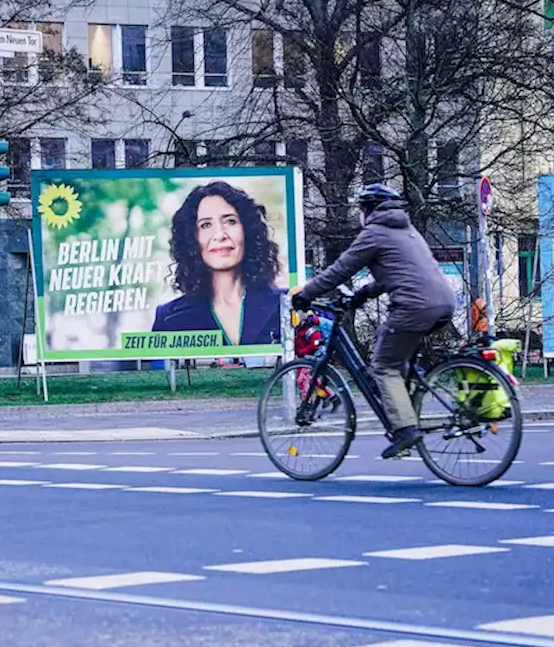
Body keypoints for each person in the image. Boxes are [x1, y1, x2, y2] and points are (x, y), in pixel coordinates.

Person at [292, 183, 457, 459]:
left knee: (383, 366)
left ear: (368, 209)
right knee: (394, 351)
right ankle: (405, 408)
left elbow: (341, 269)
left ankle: (405, 429)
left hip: (414, 307)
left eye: (360, 208)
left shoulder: (375, 232)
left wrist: (305, 295)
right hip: (444, 302)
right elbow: (398, 274)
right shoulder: (407, 230)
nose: (360, 213)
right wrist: (362, 294)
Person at [152, 181, 285, 346]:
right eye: (206, 225)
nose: (220, 235)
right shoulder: (167, 317)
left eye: (230, 221)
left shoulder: (284, 304)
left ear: (247, 230)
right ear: (191, 238)